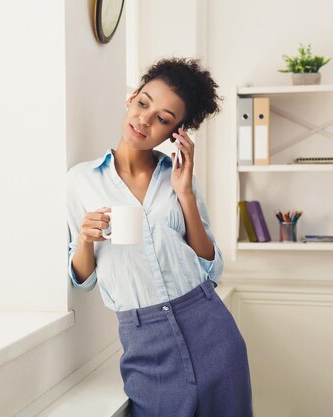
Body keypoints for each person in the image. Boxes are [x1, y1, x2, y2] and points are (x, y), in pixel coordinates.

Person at [66, 57, 253, 417]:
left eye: (163, 119)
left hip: (208, 326)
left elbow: (211, 269)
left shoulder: (179, 178)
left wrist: (184, 194)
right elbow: (83, 280)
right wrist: (86, 239)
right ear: (131, 97)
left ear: (176, 132)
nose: (144, 120)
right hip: (144, 341)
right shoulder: (81, 181)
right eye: (143, 103)